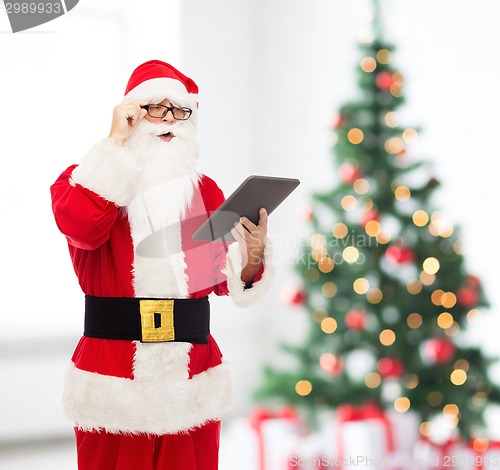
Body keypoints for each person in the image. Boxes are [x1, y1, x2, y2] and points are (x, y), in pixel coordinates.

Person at [50, 60, 273, 470]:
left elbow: (218, 279)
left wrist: (251, 257)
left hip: (191, 376)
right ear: (132, 113)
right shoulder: (87, 180)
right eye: (156, 107)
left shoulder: (204, 191)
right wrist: (114, 145)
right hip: (114, 381)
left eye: (179, 110)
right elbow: (81, 226)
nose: (168, 119)